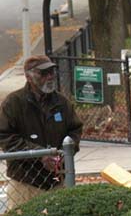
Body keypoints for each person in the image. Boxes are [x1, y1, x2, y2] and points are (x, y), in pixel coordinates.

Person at [0, 55, 83, 209]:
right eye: (43, 73)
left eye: (52, 72)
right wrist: (40, 155)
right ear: (28, 77)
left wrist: (64, 154)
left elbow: (75, 130)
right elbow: (4, 136)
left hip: (57, 180)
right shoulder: (13, 103)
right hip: (25, 181)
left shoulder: (62, 103)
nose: (50, 76)